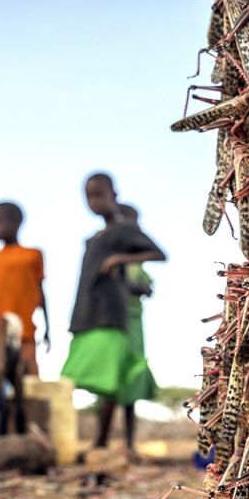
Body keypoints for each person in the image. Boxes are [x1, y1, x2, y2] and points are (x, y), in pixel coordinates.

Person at [61, 173, 166, 454]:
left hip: (115, 315)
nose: (94, 202)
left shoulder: (122, 229)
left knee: (111, 380)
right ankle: (98, 441)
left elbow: (159, 254)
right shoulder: (96, 237)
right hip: (89, 313)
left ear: (113, 196)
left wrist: (120, 258)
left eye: (99, 195)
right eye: (89, 196)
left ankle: (102, 442)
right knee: (88, 377)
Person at [0, 201, 50, 376]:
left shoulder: (33, 255)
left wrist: (48, 328)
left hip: (24, 330)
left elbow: (41, 293)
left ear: (16, 222)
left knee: (28, 374)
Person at [117, 204, 160, 421]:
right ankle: (103, 442)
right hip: (117, 324)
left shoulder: (136, 261)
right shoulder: (115, 256)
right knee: (114, 378)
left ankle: (128, 442)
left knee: (132, 378)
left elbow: (147, 288)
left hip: (134, 323)